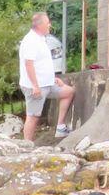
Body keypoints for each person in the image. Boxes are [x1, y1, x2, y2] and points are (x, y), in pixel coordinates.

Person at [19, 13, 75, 141]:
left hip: (48, 84)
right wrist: (35, 86)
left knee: (68, 92)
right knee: (33, 116)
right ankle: (26, 144)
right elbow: (29, 64)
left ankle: (60, 127)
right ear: (40, 25)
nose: (50, 25)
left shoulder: (41, 39)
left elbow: (42, 63)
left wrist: (53, 78)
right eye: (47, 22)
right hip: (36, 86)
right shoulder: (31, 41)